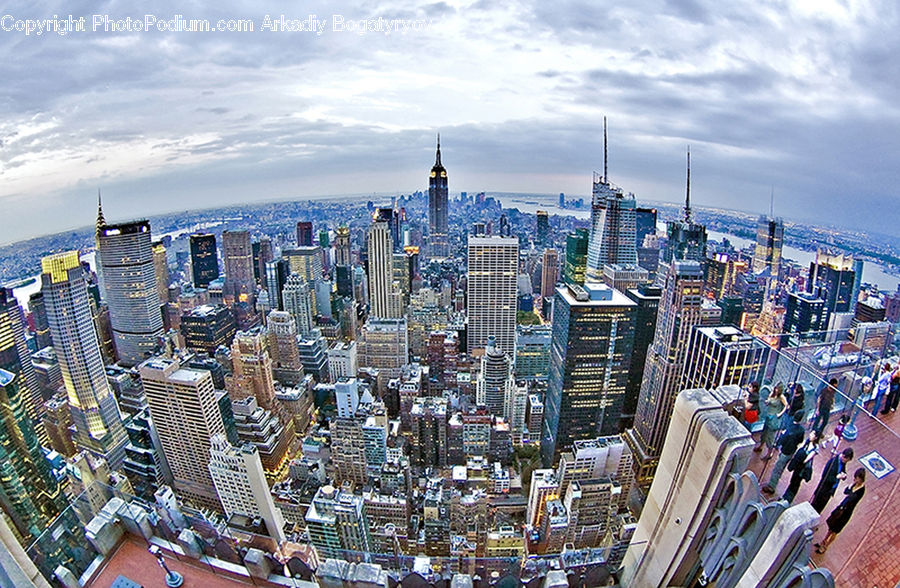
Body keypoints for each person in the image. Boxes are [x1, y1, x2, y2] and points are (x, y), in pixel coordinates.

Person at [814, 468, 866, 554]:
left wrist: (850, 489)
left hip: (846, 512)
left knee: (835, 531)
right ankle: (823, 541)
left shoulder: (861, 490)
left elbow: (852, 498)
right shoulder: (854, 485)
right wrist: (851, 486)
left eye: (858, 479)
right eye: (856, 478)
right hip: (841, 508)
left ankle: (826, 546)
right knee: (831, 527)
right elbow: (845, 492)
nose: (856, 480)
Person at [762, 411, 805, 495]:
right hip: (791, 451)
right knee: (780, 467)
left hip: (785, 450)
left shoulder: (789, 426)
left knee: (777, 468)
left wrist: (777, 444)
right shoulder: (801, 430)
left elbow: (783, 437)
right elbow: (800, 440)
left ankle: (772, 486)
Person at [809, 448, 853, 513]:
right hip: (824, 489)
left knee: (821, 508)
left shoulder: (842, 462)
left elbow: (842, 469)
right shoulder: (832, 463)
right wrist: (837, 477)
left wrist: (844, 475)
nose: (846, 462)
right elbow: (825, 477)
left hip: (830, 490)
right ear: (843, 457)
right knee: (815, 505)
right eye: (846, 460)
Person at [781, 430, 819, 504]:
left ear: (816, 437)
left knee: (796, 483)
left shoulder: (815, 448)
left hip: (802, 468)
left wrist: (802, 456)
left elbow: (807, 459)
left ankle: (788, 499)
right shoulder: (806, 442)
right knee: (792, 481)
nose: (810, 435)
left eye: (812, 434)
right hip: (798, 465)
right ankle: (785, 497)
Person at [755, 383, 788, 459]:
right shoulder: (772, 394)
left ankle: (769, 453)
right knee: (764, 432)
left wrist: (780, 414)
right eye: (775, 388)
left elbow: (786, 405)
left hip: (774, 418)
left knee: (770, 436)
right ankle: (761, 446)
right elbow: (769, 400)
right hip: (768, 415)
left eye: (777, 389)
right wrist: (767, 402)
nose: (776, 390)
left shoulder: (781, 397)